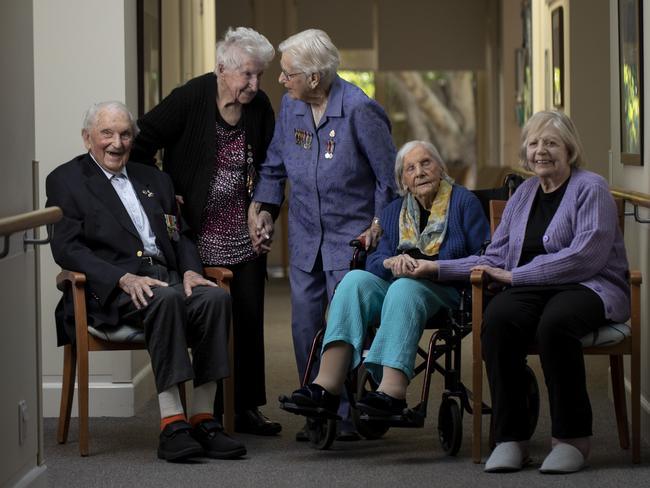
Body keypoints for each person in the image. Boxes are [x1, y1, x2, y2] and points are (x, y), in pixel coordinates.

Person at [412, 111, 630, 473]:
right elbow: (495, 257)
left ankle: (572, 438)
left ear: (570, 149)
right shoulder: (524, 193)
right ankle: (510, 438)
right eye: (534, 143)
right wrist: (436, 268)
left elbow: (584, 257)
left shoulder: (591, 187)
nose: (541, 151)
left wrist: (515, 278)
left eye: (551, 143)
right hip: (530, 286)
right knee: (497, 322)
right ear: (525, 153)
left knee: (554, 326)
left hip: (587, 286)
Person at [46, 101, 246, 462]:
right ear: (87, 138)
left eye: (125, 134)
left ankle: (202, 418)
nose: (117, 143)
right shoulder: (66, 180)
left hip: (168, 279)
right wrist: (121, 278)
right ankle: (172, 424)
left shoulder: (155, 179)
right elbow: (67, 249)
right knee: (165, 299)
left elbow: (180, 234)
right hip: (110, 291)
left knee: (215, 299)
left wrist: (189, 270)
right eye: (107, 133)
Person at [248, 29, 398, 440]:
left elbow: (389, 181)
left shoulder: (360, 110)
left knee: (345, 326)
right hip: (305, 236)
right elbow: (275, 164)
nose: (280, 80)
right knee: (304, 326)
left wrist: (378, 226)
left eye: (288, 73)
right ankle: (318, 410)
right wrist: (263, 209)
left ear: (314, 77)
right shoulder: (291, 106)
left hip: (352, 239)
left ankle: (347, 414)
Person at [130, 27, 281, 436]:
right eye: (248, 75)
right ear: (221, 69)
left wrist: (264, 210)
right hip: (195, 231)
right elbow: (140, 141)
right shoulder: (191, 97)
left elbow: (272, 166)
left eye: (259, 75)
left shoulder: (259, 106)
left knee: (249, 319)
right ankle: (206, 408)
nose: (255, 84)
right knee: (210, 318)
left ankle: (245, 407)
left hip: (243, 228)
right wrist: (163, 192)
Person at [286, 140, 489, 419]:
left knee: (405, 287)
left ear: (441, 168)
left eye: (426, 163)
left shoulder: (464, 202)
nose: (419, 172)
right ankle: (327, 385)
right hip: (397, 288)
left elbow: (482, 258)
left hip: (447, 291)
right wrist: (389, 261)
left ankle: (392, 391)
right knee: (354, 280)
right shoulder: (393, 212)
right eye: (410, 168)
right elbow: (375, 262)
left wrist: (432, 268)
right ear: (402, 180)